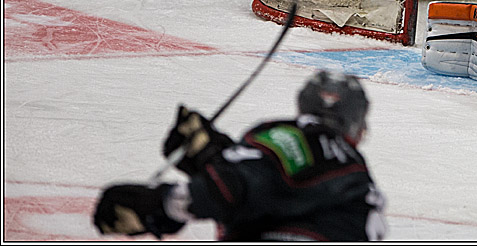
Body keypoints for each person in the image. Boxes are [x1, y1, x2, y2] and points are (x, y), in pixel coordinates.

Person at [93, 70, 387, 241]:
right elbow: (273, 188)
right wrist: (213, 156)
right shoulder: (352, 172)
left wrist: (162, 203)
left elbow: (243, 185)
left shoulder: (307, 143)